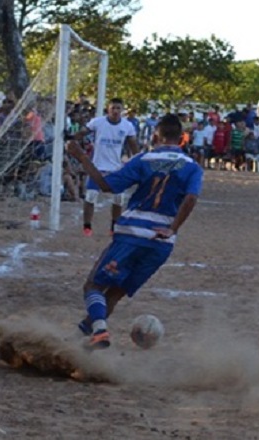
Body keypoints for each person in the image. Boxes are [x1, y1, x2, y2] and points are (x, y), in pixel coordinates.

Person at [66, 114, 203, 349]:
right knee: (115, 293)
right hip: (161, 244)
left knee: (93, 286)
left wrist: (81, 157)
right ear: (181, 138)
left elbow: (107, 185)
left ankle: (99, 331)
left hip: (132, 233)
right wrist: (173, 228)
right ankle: (80, 339)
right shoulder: (193, 167)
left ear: (156, 136)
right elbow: (191, 198)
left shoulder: (144, 159)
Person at [76, 98, 139, 237]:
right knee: (91, 196)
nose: (115, 111)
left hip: (116, 168)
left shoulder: (127, 126)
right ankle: (87, 225)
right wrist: (71, 137)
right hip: (97, 166)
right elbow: (83, 132)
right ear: (108, 109)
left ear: (122, 110)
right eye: (113, 108)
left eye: (118, 108)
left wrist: (138, 159)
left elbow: (133, 145)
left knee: (118, 199)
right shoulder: (98, 122)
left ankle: (114, 225)